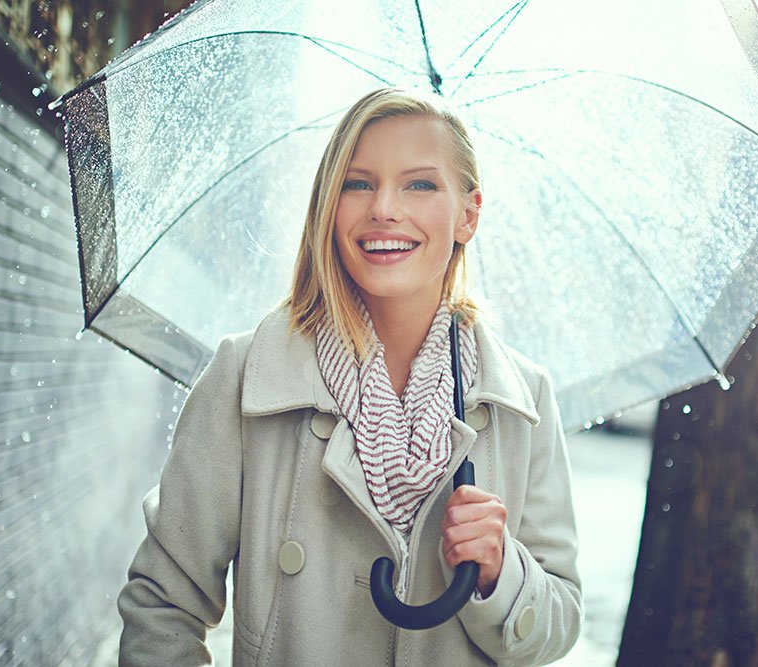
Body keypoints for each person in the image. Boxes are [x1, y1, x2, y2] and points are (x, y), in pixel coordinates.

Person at [118, 87, 582, 666]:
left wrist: (499, 570)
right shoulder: (249, 377)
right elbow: (164, 605)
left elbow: (558, 623)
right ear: (328, 206)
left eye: (419, 184)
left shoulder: (520, 399)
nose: (384, 207)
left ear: (469, 214)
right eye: (358, 183)